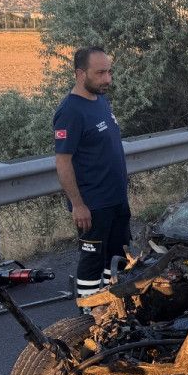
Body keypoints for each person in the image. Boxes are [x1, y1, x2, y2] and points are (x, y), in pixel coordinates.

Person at [54, 47, 130, 304]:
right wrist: (78, 205)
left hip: (116, 199)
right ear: (80, 73)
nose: (107, 79)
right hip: (93, 204)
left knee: (117, 256)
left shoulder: (100, 101)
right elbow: (63, 162)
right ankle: (87, 313)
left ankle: (112, 307)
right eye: (100, 73)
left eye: (109, 72)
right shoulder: (70, 112)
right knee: (92, 261)